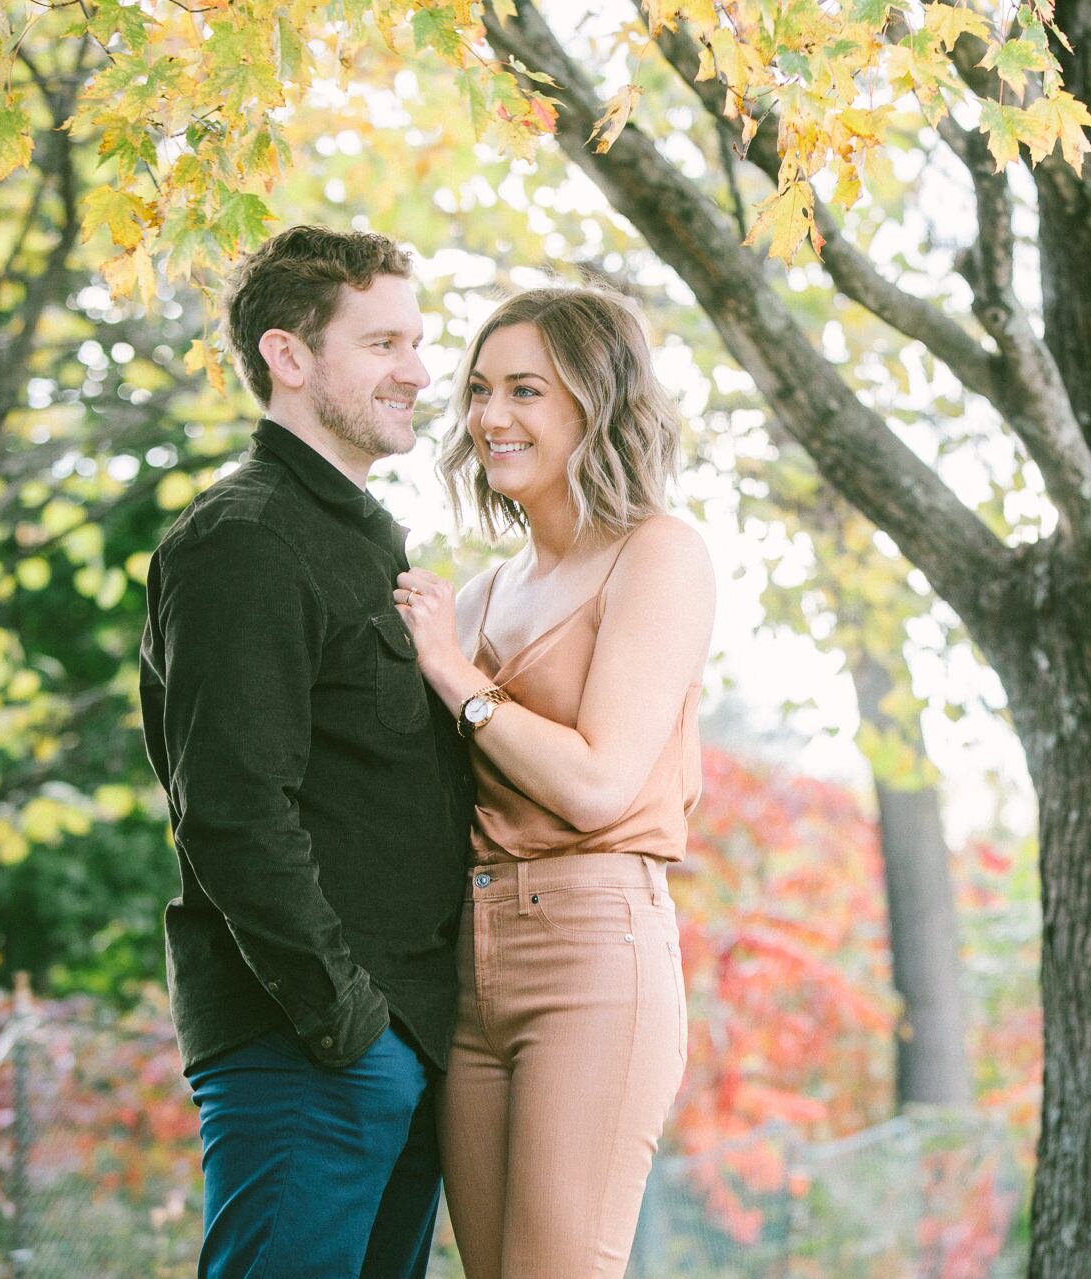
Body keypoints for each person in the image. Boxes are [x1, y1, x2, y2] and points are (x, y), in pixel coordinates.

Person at [138, 225, 470, 1277]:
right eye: (382, 344)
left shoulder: (364, 542)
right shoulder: (246, 539)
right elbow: (233, 809)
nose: (417, 371)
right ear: (289, 356)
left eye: (417, 344)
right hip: (310, 1048)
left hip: (396, 1047)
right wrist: (346, 1025)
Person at [392, 286, 715, 1278]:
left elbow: (597, 783)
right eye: (480, 390)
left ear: (595, 402)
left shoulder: (657, 552)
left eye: (526, 390)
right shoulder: (482, 593)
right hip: (470, 966)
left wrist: (455, 675)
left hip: (590, 953)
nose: (490, 417)